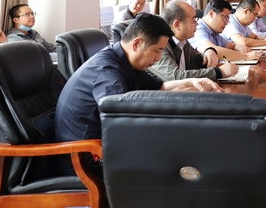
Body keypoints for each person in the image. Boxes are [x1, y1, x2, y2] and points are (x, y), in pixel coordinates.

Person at [55, 14, 223, 174]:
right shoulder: (107, 71)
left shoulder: (123, 59)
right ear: (137, 43)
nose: (158, 58)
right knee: (178, 156)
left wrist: (192, 82)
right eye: (157, 50)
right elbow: (122, 119)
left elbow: (160, 86)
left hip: (104, 146)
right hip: (85, 160)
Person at [150, 0, 238, 81]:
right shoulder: (159, 45)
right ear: (177, 25)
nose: (197, 24)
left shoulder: (183, 42)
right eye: (194, 20)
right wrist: (219, 72)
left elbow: (199, 61)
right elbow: (175, 77)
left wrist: (209, 51)